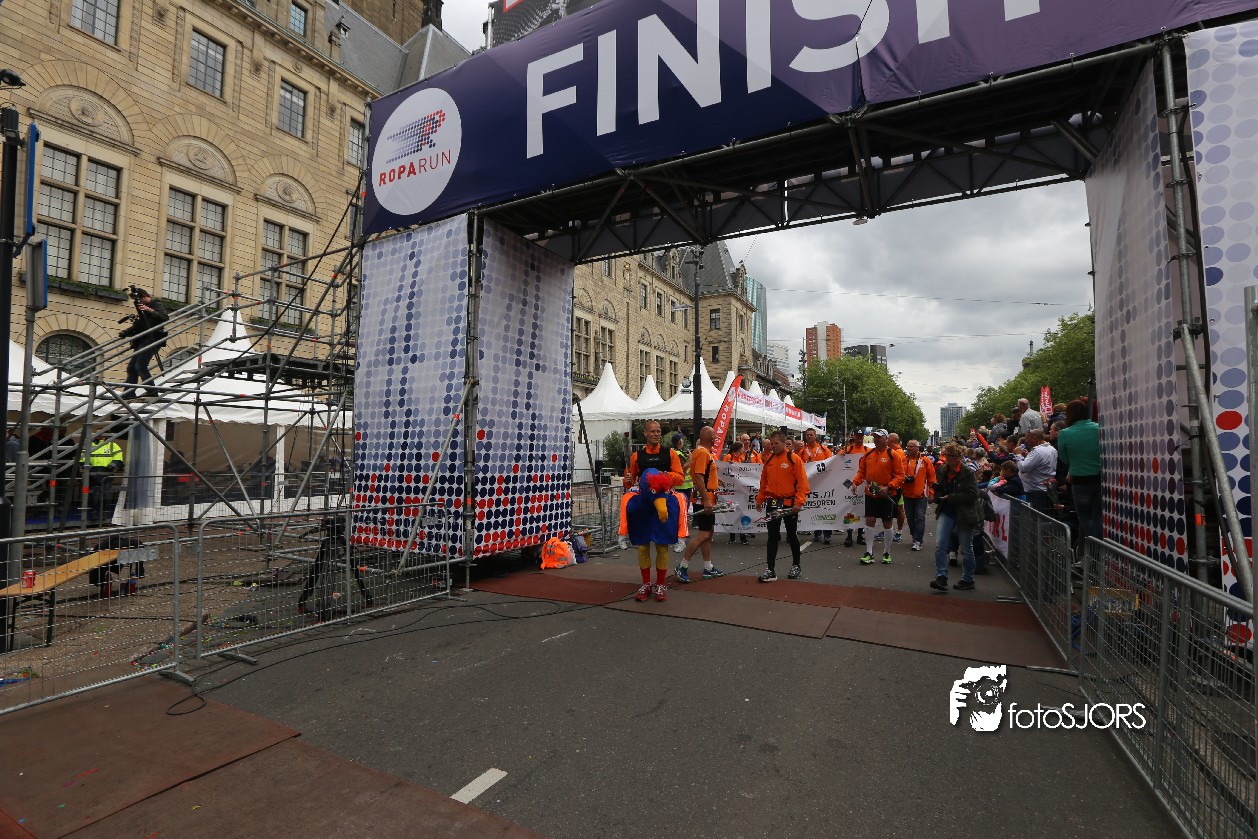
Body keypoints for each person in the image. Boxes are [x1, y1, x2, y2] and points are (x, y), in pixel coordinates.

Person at [755, 429, 809, 582]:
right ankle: (770, 570)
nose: (773, 446)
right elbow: (763, 482)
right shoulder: (769, 460)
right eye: (771, 444)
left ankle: (796, 565)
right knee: (772, 536)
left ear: (785, 443)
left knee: (792, 535)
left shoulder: (794, 459)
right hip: (772, 503)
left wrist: (798, 502)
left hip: (789, 504)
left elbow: (802, 483)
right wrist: (760, 499)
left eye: (776, 443)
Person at [851, 429, 906, 565]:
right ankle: (869, 552)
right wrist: (855, 482)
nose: (876, 439)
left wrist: (889, 487)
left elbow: (900, 475)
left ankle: (886, 552)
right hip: (870, 493)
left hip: (887, 495)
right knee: (869, 520)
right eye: (875, 437)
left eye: (879, 437)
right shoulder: (868, 454)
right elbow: (861, 471)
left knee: (887, 523)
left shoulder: (893, 454)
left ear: (886, 439)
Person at [677, 426, 725, 582]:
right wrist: (706, 500)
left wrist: (717, 480)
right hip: (705, 498)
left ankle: (708, 567)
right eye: (714, 436)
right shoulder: (703, 453)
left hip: (706, 497)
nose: (716, 438)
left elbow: (704, 474)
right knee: (704, 534)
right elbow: (698, 477)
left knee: (708, 534)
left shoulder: (702, 452)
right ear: (710, 438)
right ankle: (682, 565)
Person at [931, 442, 980, 592]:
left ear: (960, 456)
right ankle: (941, 576)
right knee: (940, 544)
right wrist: (936, 495)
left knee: (966, 548)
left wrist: (951, 497)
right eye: (947, 455)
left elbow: (973, 494)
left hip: (964, 513)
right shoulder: (942, 469)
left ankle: (968, 579)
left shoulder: (967, 472)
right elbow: (940, 487)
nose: (950, 458)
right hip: (946, 511)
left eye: (953, 456)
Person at [1056, 399, 1102, 542]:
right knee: (1098, 516)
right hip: (1100, 477)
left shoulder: (1065, 433)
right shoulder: (1099, 428)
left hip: (1079, 480)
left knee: (1084, 516)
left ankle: (1094, 545)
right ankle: (1101, 546)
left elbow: (1064, 459)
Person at [120, 288, 169, 398]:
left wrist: (149, 310)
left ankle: (152, 390)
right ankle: (128, 393)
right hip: (144, 338)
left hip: (152, 338)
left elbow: (164, 318)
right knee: (132, 367)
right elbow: (141, 324)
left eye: (140, 300)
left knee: (140, 365)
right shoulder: (143, 308)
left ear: (145, 296)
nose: (140, 303)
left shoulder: (156, 304)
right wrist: (125, 332)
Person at [623, 420, 684, 490]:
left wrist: (666, 475)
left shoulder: (670, 453)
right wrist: (627, 480)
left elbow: (680, 479)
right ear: (645, 433)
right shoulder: (636, 456)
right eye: (652, 431)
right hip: (645, 495)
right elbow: (628, 483)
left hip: (665, 495)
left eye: (658, 431)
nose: (656, 434)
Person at [800, 428, 834, 544]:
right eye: (807, 435)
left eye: (811, 435)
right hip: (811, 484)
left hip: (824, 483)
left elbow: (832, 462)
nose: (809, 437)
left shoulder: (824, 449)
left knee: (826, 508)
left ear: (815, 436)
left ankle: (827, 534)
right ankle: (817, 533)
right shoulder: (802, 451)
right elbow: (798, 466)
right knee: (815, 508)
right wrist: (807, 464)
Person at [901, 439, 936, 551]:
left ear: (917, 448)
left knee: (920, 517)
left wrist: (931, 493)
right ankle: (914, 536)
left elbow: (932, 478)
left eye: (911, 446)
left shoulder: (925, 461)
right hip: (907, 495)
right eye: (908, 446)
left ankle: (918, 540)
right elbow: (898, 474)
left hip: (921, 495)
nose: (909, 448)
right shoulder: (903, 460)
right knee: (910, 519)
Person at [81, 432, 124, 520]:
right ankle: (93, 514)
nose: (99, 435)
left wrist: (113, 465)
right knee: (94, 495)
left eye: (101, 433)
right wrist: (89, 467)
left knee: (106, 494)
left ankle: (105, 513)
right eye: (97, 433)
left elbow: (118, 458)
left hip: (107, 473)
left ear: (105, 435)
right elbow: (82, 459)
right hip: (93, 474)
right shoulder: (89, 445)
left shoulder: (112, 445)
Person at [839, 430, 870, 547]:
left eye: (861, 436)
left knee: (862, 510)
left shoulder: (868, 450)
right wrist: (841, 454)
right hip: (849, 483)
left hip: (863, 483)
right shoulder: (848, 449)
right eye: (857, 436)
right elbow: (837, 460)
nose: (859, 438)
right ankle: (849, 535)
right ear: (854, 437)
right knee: (850, 509)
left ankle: (860, 535)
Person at [1017, 428, 1059, 515]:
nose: (1026, 442)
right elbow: (1039, 464)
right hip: (1042, 489)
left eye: (1027, 439)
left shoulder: (1038, 451)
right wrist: (1027, 457)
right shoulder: (1052, 449)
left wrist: (1018, 455)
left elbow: (1023, 468)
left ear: (1034, 438)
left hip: (1035, 491)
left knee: (1036, 518)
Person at [724, 441, 758, 544]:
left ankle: (742, 536)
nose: (743, 450)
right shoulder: (729, 456)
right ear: (738, 449)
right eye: (742, 448)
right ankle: (732, 537)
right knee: (732, 512)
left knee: (741, 512)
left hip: (740, 490)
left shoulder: (740, 458)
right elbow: (724, 469)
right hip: (731, 490)